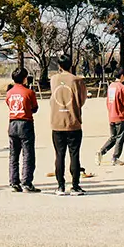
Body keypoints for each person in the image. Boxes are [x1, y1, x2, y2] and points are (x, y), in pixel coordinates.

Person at [49, 55, 87, 196]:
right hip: (73, 122)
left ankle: (60, 186)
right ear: (71, 65)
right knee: (74, 154)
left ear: (59, 65)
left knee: (59, 155)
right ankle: (75, 186)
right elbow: (82, 99)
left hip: (57, 122)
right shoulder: (77, 80)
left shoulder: (53, 79)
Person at [4, 66, 40, 193]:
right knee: (28, 154)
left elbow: (8, 104)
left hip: (12, 123)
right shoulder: (29, 92)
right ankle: (26, 182)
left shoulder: (9, 93)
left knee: (14, 154)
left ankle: (14, 182)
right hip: (25, 123)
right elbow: (35, 108)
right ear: (25, 79)